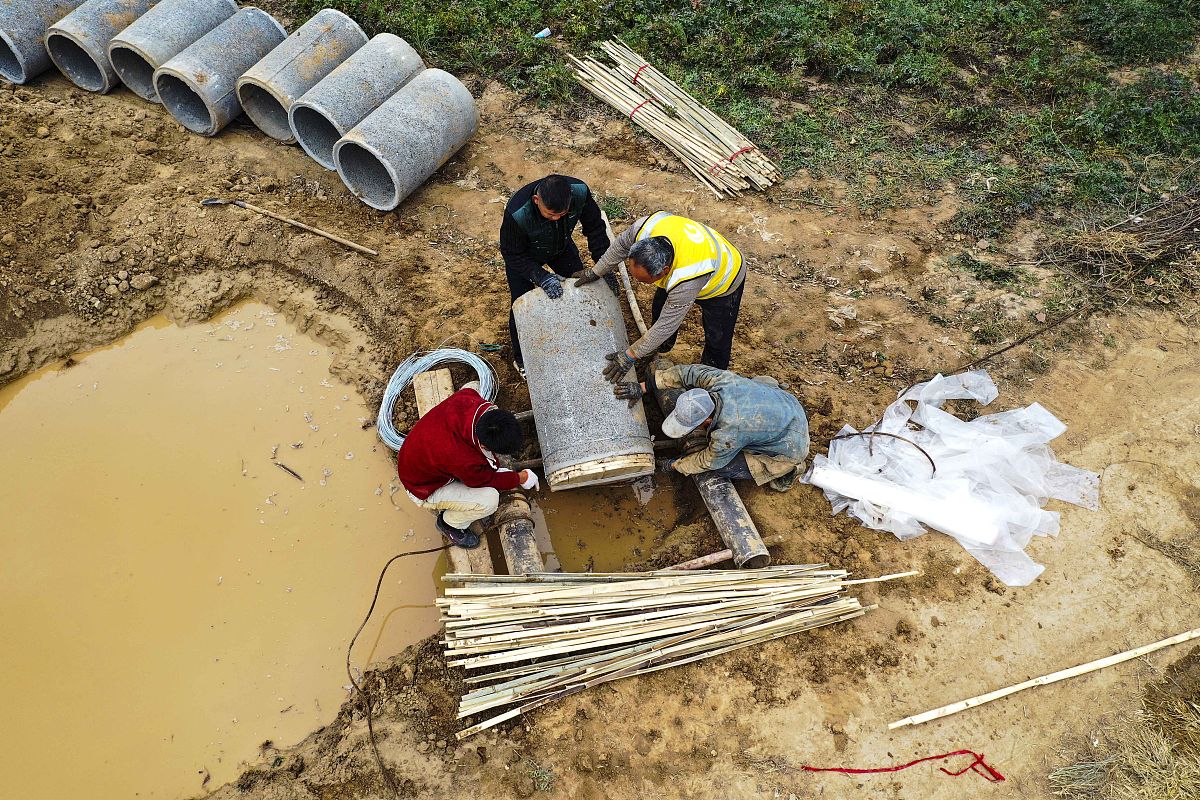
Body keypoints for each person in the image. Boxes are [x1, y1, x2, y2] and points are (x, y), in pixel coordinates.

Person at [573, 211, 745, 380]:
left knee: (717, 337)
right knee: (660, 307)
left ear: (665, 271)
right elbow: (620, 247)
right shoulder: (644, 228)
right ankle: (661, 346)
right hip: (692, 255)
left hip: (725, 280)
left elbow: (666, 325)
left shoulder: (685, 279)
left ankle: (711, 379)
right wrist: (595, 272)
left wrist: (629, 356)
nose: (639, 283)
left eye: (645, 280)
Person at [613, 363, 809, 491]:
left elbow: (709, 461)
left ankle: (788, 470)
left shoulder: (728, 434)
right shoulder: (717, 380)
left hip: (792, 444)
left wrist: (675, 465)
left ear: (706, 420)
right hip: (784, 404)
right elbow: (686, 372)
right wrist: (645, 386)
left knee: (721, 468)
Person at [499, 174, 615, 377]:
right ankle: (522, 358)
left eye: (562, 214)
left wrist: (603, 266)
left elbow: (595, 229)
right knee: (520, 303)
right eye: (550, 214)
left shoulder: (580, 193)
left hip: (560, 247)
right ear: (537, 201)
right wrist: (541, 276)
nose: (556, 218)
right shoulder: (517, 213)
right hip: (524, 256)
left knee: (578, 286)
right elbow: (511, 253)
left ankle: (575, 336)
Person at [397, 385, 540, 548]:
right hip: (421, 486)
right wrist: (521, 477)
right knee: (489, 500)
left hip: (418, 456)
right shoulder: (463, 459)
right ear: (485, 446)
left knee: (473, 383)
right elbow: (483, 480)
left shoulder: (469, 398)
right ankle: (449, 524)